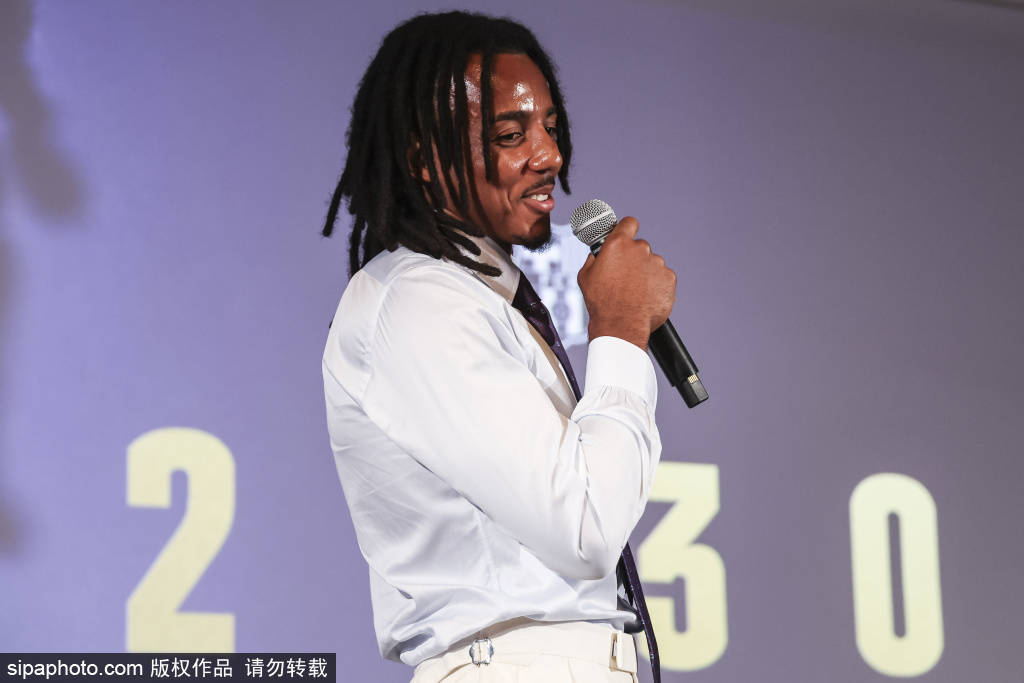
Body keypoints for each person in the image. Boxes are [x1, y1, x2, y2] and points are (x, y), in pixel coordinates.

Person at [321, 11, 676, 682]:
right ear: (424, 159)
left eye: (551, 128)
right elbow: (586, 527)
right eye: (511, 135)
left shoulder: (488, 297)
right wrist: (621, 326)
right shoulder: (418, 301)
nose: (549, 156)